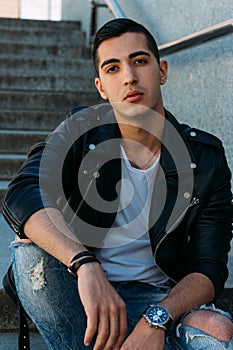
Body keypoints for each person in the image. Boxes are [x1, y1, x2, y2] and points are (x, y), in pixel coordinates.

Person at [2, 18, 233, 350]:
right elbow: (22, 192)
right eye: (113, 68)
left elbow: (209, 269)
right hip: (80, 292)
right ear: (100, 87)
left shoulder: (204, 157)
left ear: (162, 71)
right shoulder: (79, 132)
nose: (129, 77)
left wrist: (158, 318)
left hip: (158, 298)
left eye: (139, 61)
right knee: (30, 249)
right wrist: (84, 265)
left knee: (217, 327)